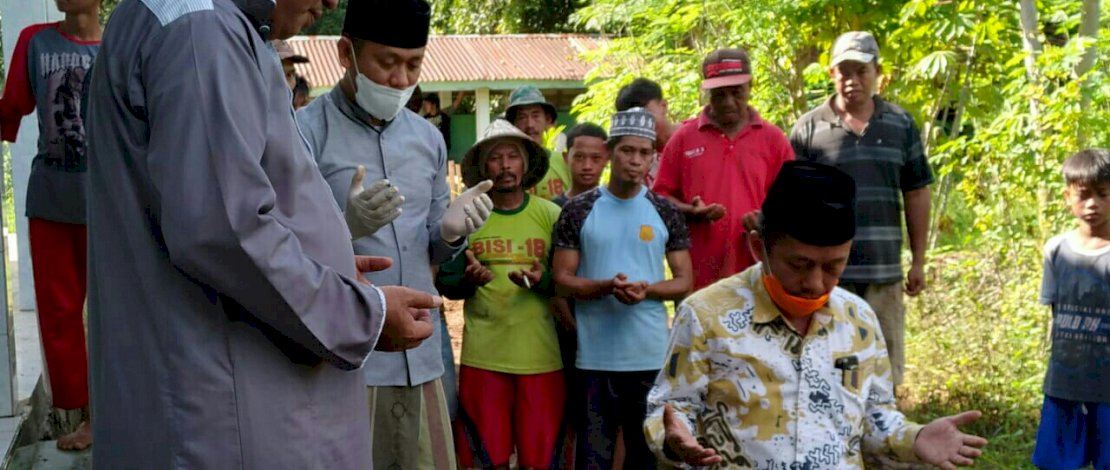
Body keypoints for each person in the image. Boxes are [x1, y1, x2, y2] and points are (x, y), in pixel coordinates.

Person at [84, 0, 440, 467]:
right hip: (222, 410)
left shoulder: (209, 25)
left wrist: (326, 262)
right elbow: (223, 232)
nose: (332, 2)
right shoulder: (201, 30)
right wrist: (359, 315)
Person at [644, 161, 988, 469]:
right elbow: (672, 409)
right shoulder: (706, 316)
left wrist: (914, 438)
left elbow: (875, 417)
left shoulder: (858, 320)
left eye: (833, 266)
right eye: (799, 265)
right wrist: (674, 440)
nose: (815, 283)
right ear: (758, 247)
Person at [295, 2, 493, 468]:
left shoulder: (428, 140)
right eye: (386, 62)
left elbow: (433, 252)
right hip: (346, 358)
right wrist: (342, 229)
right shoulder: (303, 133)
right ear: (346, 53)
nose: (401, 79)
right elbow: (280, 248)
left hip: (422, 356)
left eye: (413, 64)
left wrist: (450, 234)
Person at [790, 31, 934, 388]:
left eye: (861, 71)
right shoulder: (809, 128)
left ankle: (882, 425)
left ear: (877, 72)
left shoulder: (900, 124)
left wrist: (918, 260)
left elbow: (917, 192)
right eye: (844, 72)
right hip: (825, 274)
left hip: (884, 269)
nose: (852, 80)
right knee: (829, 366)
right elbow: (793, 200)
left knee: (883, 369)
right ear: (831, 74)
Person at [553, 108, 693, 469]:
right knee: (593, 457)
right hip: (593, 356)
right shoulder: (578, 210)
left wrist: (648, 290)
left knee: (644, 456)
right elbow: (562, 279)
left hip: (649, 355)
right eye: (627, 150)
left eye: (644, 152)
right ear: (611, 152)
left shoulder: (664, 210)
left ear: (653, 157)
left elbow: (684, 281)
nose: (635, 160)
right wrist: (604, 287)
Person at [436, 119, 570, 470]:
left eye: (513, 157)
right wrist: (469, 281)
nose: (505, 165)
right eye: (496, 158)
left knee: (540, 461)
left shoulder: (551, 215)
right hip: (484, 360)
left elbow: (570, 281)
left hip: (541, 359)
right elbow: (446, 282)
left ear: (526, 164)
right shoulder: (468, 218)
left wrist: (543, 281)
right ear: (483, 167)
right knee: (485, 460)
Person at [0, 0, 101, 451]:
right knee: (59, 316)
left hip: (107, 206)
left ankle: (116, 412)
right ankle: (85, 416)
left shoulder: (121, 44)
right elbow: (11, 109)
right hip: (51, 203)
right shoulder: (34, 42)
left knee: (116, 313)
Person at [652, 48, 794, 291]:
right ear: (707, 93)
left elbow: (794, 200)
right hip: (698, 278)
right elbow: (658, 198)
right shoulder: (684, 139)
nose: (728, 102)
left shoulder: (773, 139)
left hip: (760, 274)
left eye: (736, 92)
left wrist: (765, 219)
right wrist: (691, 211)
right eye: (719, 94)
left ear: (751, 87)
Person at [1032, 149, 1110, 470]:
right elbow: (1055, 311)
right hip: (1065, 382)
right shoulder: (1056, 250)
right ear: (1068, 197)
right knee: (1055, 463)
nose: (1093, 204)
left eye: (1103, 194)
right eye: (1084, 195)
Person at [506, 85, 572, 201]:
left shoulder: (564, 163)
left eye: (535, 116)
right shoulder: (504, 167)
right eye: (522, 117)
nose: (530, 124)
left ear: (547, 120)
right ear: (513, 124)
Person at [615, 78, 677, 186]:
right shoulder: (636, 161)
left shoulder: (697, 133)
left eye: (646, 115)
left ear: (663, 106)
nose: (643, 124)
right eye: (634, 120)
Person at [551, 123, 608, 208]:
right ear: (566, 158)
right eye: (579, 157)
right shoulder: (553, 209)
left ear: (607, 159)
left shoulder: (614, 207)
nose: (587, 166)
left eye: (596, 158)